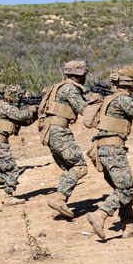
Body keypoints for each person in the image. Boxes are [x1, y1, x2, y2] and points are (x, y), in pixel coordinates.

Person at [84, 66, 133, 239]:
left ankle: (129, 225)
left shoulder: (110, 98)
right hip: (113, 149)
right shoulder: (123, 99)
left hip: (104, 148)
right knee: (126, 189)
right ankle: (100, 215)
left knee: (123, 187)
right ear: (130, 84)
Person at [39, 60, 92, 219]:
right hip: (59, 132)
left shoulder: (57, 87)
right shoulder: (69, 88)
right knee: (80, 167)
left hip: (50, 132)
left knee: (70, 168)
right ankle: (59, 199)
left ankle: (61, 202)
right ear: (79, 75)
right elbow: (84, 110)